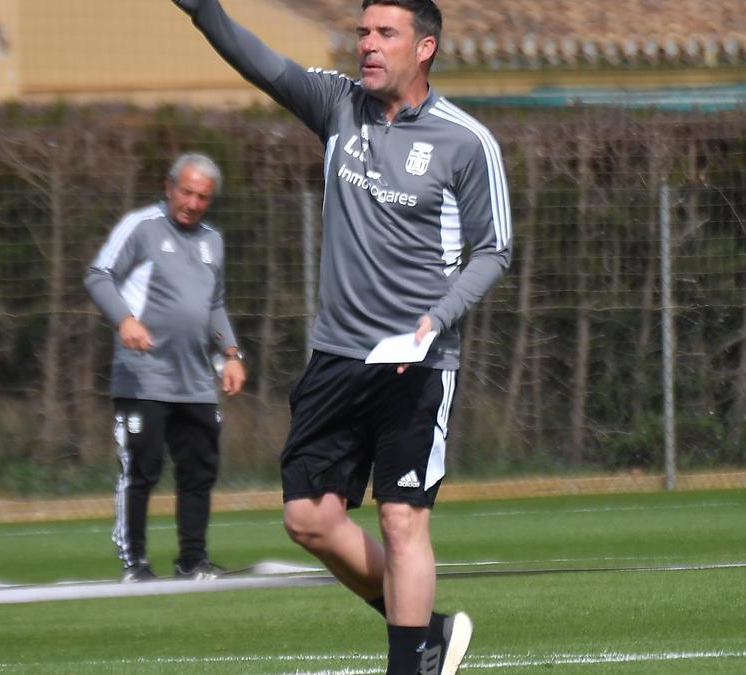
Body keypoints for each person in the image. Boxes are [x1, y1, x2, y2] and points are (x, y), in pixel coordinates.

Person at [174, 1, 512, 673]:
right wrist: (203, 9)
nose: (369, 45)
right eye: (363, 32)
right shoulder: (336, 105)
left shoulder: (465, 141)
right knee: (306, 517)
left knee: (401, 518)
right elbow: (255, 58)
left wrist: (434, 320)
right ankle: (428, 634)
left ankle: (408, 663)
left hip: (416, 364)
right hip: (335, 357)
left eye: (387, 33)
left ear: (426, 48)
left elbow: (494, 249)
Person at [85, 153, 247, 582]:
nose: (193, 203)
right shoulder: (141, 227)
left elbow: (214, 305)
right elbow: (98, 276)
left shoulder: (214, 241)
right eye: (187, 192)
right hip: (143, 378)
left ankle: (192, 561)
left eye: (203, 197)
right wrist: (125, 320)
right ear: (169, 186)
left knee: (198, 473)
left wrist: (230, 356)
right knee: (142, 470)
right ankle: (134, 563)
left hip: (195, 382)